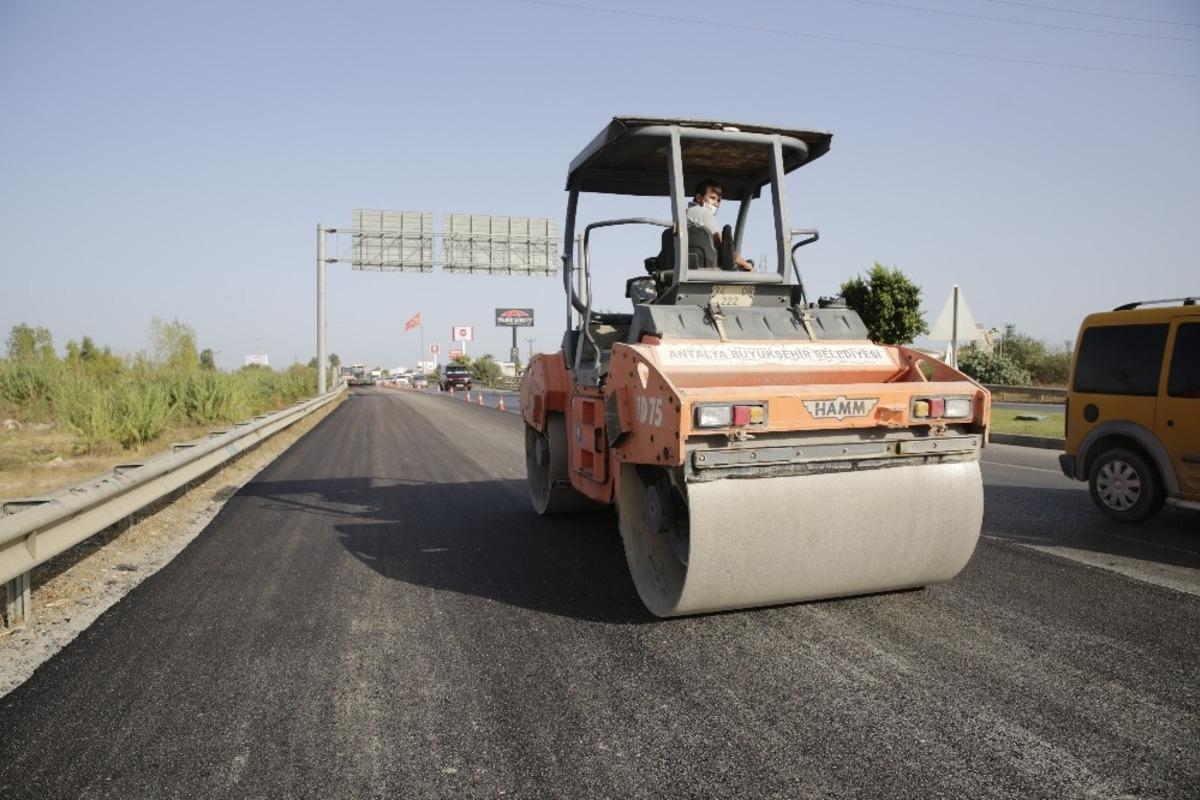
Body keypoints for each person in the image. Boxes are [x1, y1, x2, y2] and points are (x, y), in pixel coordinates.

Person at [685, 179, 754, 271]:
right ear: (699, 198)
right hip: (706, 269)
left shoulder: (685, 214)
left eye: (719, 200)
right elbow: (724, 247)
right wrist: (746, 265)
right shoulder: (703, 212)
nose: (716, 204)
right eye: (712, 198)